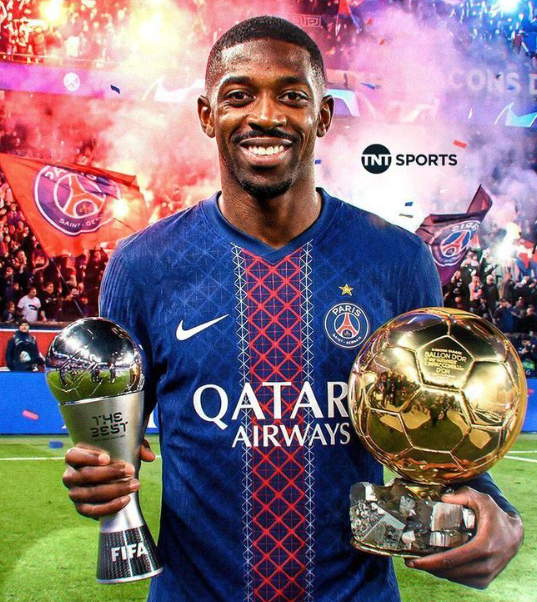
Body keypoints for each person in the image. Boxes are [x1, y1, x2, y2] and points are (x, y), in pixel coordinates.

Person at [62, 16, 523, 602]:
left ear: (323, 116)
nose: (265, 115)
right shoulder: (143, 266)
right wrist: (97, 473)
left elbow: (442, 435)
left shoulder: (398, 260)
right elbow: (112, 443)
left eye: (292, 96)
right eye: (238, 96)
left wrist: (497, 514)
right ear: (206, 115)